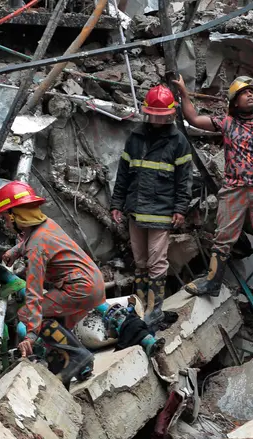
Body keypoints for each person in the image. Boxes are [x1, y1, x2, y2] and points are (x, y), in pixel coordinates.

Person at [172, 74, 253, 298]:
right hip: (233, 189)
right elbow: (194, 119)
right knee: (224, 236)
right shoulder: (226, 122)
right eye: (244, 93)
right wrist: (184, 93)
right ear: (234, 101)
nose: (250, 96)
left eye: (252, 92)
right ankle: (211, 283)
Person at [0, 180, 106, 381]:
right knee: (54, 319)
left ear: (15, 216)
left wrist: (30, 335)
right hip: (93, 281)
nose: (5, 224)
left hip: (80, 289)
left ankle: (78, 356)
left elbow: (34, 293)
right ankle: (76, 364)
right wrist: (14, 251)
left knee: (26, 313)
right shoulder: (47, 224)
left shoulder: (35, 248)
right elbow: (34, 240)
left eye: (5, 218)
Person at [110, 84, 194, 316]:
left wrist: (180, 208)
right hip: (136, 210)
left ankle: (154, 310)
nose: (157, 121)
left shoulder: (178, 142)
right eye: (154, 116)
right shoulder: (135, 138)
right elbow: (124, 174)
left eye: (162, 117)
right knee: (140, 262)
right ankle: (138, 307)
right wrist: (117, 203)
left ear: (171, 115)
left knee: (157, 263)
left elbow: (184, 179)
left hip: (161, 212)